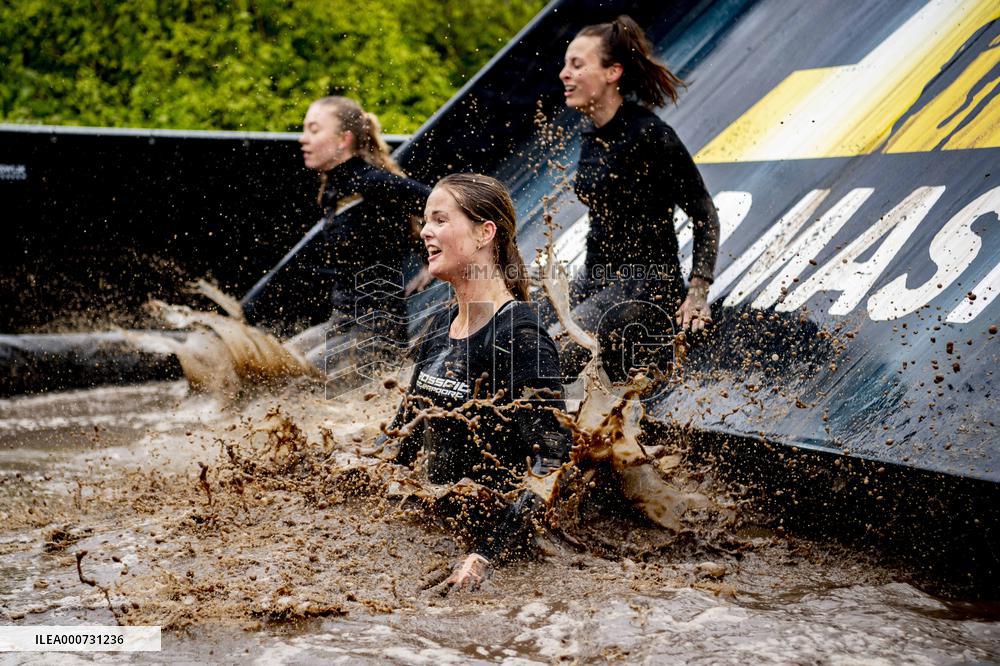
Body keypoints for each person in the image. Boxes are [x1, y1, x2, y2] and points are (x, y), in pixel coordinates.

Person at [378, 174, 571, 591]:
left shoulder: (521, 336)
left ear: (485, 233)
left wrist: (483, 557)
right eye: (426, 220)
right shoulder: (439, 325)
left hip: (494, 549)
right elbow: (403, 437)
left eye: (441, 220)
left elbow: (553, 463)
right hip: (431, 529)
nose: (426, 231)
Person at [551, 15, 720, 381]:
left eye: (577, 65)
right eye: (565, 64)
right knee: (517, 334)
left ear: (612, 73)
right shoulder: (591, 133)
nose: (564, 73)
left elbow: (705, 213)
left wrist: (698, 291)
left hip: (647, 284)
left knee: (550, 355)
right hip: (597, 276)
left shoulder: (650, 136)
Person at [251, 96, 432, 366]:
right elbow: (402, 226)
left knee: (295, 382)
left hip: (376, 331)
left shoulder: (372, 182)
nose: (303, 139)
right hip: (341, 321)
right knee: (268, 367)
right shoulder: (335, 189)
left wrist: (433, 264)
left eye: (314, 130)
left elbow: (442, 207)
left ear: (343, 140)